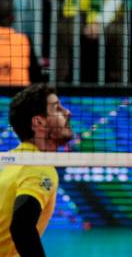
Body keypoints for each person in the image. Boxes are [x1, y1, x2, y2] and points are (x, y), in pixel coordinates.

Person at [0, 84, 73, 256]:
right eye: (57, 109)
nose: (67, 112)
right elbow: (22, 227)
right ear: (38, 122)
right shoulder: (39, 167)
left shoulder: (7, 163)